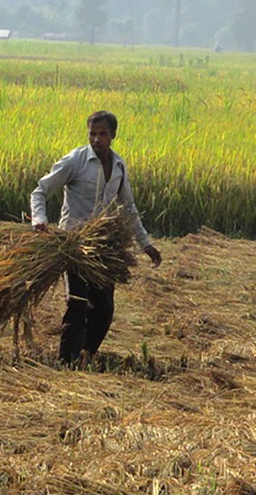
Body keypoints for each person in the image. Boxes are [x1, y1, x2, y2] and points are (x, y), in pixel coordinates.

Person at [31, 111, 163, 364]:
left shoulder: (119, 166)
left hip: (102, 246)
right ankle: (66, 361)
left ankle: (86, 354)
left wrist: (146, 244)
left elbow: (128, 208)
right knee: (77, 303)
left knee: (104, 309)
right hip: (74, 244)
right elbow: (40, 191)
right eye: (92, 134)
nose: (96, 139)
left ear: (113, 135)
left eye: (102, 134)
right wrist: (39, 220)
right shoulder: (75, 161)